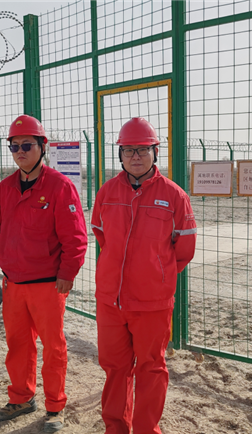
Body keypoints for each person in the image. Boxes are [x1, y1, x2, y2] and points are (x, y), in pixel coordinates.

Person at [91, 117, 197, 434]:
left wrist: (156, 274)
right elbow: (101, 234)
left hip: (152, 303)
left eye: (142, 149)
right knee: (115, 367)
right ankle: (115, 428)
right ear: (120, 154)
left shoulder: (175, 196)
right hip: (111, 300)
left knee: (151, 368)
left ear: (155, 152)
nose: (135, 156)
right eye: (128, 150)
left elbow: (184, 249)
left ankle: (146, 430)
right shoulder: (107, 192)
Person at [0, 114, 87, 433]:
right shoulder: (5, 188)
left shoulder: (60, 186)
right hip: (12, 284)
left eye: (26, 145)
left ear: (43, 147)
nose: (20, 152)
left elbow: (76, 237)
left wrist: (68, 273)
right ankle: (21, 398)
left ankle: (55, 406)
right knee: (18, 345)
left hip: (48, 286)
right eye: (14, 146)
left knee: (53, 347)